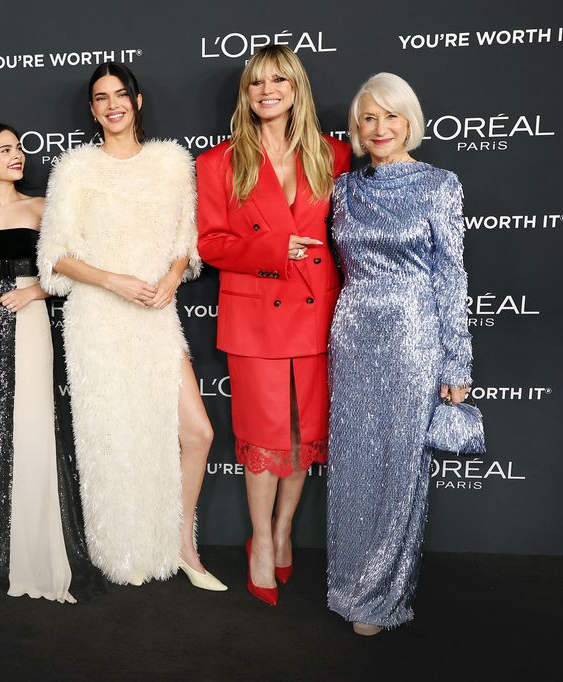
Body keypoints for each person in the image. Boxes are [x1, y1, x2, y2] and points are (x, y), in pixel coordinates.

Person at [38, 63, 225, 591]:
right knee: (112, 436)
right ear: (93, 110)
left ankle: (183, 542)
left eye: (121, 95)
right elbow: (54, 256)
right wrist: (112, 280)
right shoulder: (75, 168)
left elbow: (185, 244)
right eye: (102, 98)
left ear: (138, 102)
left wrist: (169, 277)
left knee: (198, 431)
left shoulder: (171, 163)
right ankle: (121, 548)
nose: (113, 105)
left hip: (155, 315)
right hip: (97, 318)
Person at [196, 45, 350, 605]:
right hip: (255, 312)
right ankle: (260, 540)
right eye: (257, 81)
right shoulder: (218, 162)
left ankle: (284, 530)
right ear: (246, 92)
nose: (267, 90)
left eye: (279, 79)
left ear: (296, 88)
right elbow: (210, 244)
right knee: (264, 436)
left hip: (317, 311)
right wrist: (276, 246)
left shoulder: (333, 155)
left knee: (302, 435)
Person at [327, 72, 472, 636]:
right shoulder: (345, 188)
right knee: (354, 469)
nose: (379, 128)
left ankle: (382, 597)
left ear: (409, 120)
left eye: (390, 116)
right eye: (368, 118)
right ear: (357, 128)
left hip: (413, 338)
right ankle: (348, 585)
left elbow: (451, 277)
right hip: (354, 337)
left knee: (401, 470)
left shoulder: (439, 184)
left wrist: (456, 363)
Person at [0, 123, 105, 602]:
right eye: (6, 149)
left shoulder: (41, 208)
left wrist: (34, 290)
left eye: (19, 148)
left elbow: (68, 270)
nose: (18, 155)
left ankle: (35, 543)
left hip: (31, 319)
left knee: (33, 420)